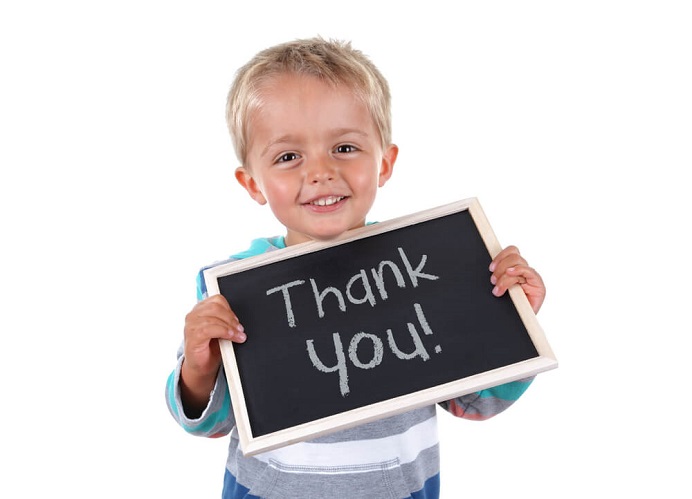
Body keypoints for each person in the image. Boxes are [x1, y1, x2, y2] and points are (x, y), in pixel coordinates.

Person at [165, 37, 546, 499]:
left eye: (345, 147)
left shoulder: (428, 267)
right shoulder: (234, 286)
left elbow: (475, 404)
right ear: (252, 183)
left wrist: (514, 319)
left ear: (384, 163)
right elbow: (215, 422)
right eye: (288, 157)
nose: (321, 171)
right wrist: (198, 370)